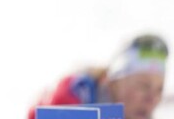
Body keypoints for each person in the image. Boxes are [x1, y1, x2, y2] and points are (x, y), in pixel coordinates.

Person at [29, 34, 168, 119]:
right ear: (114, 82)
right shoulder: (76, 92)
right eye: (143, 86)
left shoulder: (135, 112)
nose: (152, 99)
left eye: (159, 89)